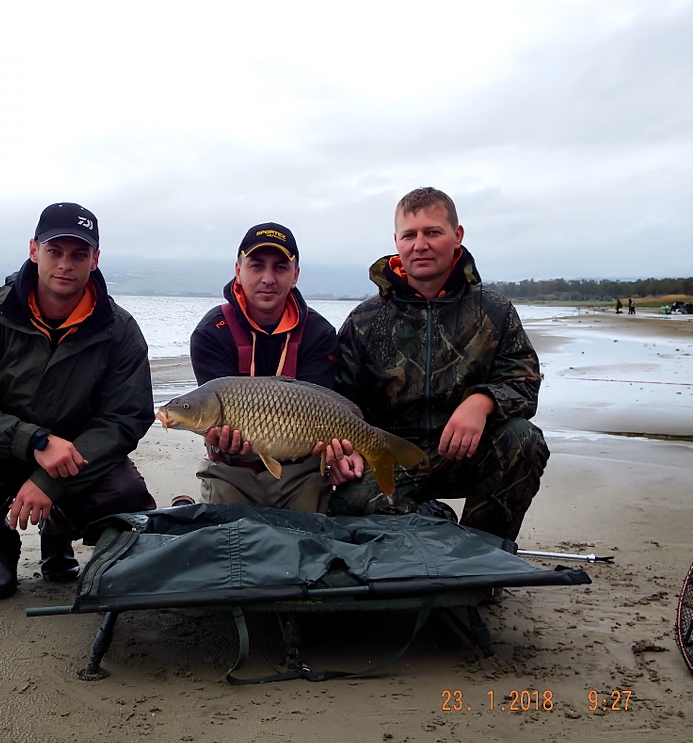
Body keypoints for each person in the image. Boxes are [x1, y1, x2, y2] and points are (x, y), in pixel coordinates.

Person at [0, 203, 156, 599]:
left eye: (79, 254)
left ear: (95, 259)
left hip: (75, 459)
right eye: (54, 251)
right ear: (33, 250)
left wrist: (49, 481)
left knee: (126, 496)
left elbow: (125, 418)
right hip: (0, 449)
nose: (65, 264)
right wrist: (34, 441)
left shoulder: (120, 330)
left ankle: (57, 532)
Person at [326, 188, 549, 542]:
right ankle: (431, 521)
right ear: (396, 242)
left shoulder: (495, 311)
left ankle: (483, 556)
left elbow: (525, 383)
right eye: (409, 235)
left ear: (456, 236)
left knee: (523, 439)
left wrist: (482, 401)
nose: (420, 245)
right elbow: (339, 399)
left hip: (466, 451)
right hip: (390, 455)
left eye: (433, 232)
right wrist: (342, 451)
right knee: (350, 503)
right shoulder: (365, 320)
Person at [188, 222, 339, 512]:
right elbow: (212, 414)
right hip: (230, 469)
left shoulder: (319, 333)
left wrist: (337, 451)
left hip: (301, 469)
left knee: (303, 545)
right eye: (257, 266)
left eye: (280, 268)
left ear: (295, 275)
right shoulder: (211, 332)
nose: (268, 278)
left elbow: (324, 408)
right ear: (238, 270)